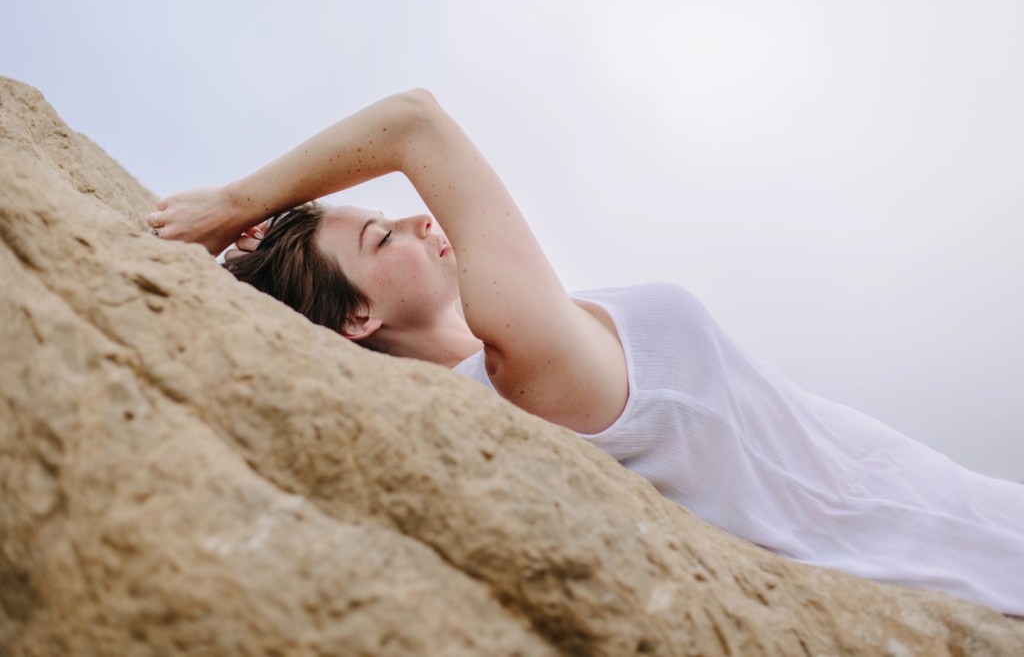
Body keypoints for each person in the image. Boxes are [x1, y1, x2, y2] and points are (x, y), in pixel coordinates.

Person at [151, 89, 1024, 616]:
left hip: (970, 508)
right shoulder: (522, 371)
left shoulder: (524, 356)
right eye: (383, 236)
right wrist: (237, 202)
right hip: (971, 552)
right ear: (356, 321)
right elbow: (415, 122)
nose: (423, 218)